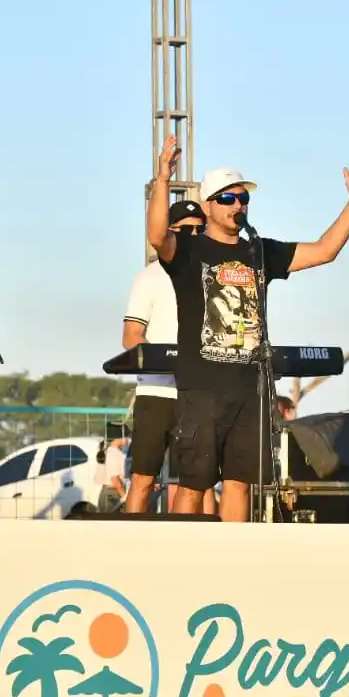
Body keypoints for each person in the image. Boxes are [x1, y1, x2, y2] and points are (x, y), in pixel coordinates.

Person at [145, 135, 349, 522]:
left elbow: (324, 251)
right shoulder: (189, 251)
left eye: (243, 198)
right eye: (227, 198)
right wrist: (162, 179)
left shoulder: (258, 250)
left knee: (240, 483)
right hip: (203, 387)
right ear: (208, 205)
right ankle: (181, 558)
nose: (238, 205)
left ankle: (233, 559)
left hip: (249, 386)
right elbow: (157, 236)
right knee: (194, 484)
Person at [122, 199, 217, 515]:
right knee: (143, 479)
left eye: (198, 229)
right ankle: (129, 544)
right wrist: (165, 357)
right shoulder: (149, 276)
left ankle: (200, 551)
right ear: (171, 233)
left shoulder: (212, 276)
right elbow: (131, 337)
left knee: (198, 482)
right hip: (157, 391)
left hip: (199, 393)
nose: (194, 234)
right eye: (185, 230)